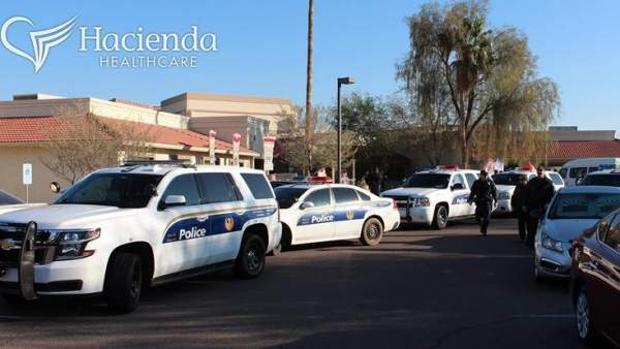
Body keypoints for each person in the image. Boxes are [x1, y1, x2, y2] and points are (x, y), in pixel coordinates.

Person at [524, 165, 555, 247]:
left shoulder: (548, 183)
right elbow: (526, 194)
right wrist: (525, 205)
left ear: (544, 171)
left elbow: (552, 195)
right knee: (531, 226)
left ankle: (543, 244)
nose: (539, 172)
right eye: (538, 170)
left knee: (543, 227)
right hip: (533, 207)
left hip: (543, 208)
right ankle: (530, 242)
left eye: (541, 170)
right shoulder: (532, 182)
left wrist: (548, 205)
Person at [468, 170, 497, 236]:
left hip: (487, 202)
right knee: (477, 218)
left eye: (486, 175)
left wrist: (496, 200)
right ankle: (482, 226)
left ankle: (484, 230)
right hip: (479, 202)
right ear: (481, 175)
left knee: (487, 218)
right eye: (484, 175)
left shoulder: (490, 182)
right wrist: (470, 199)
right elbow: (473, 192)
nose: (485, 177)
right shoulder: (476, 183)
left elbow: (494, 192)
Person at [511, 175, 528, 242]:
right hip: (520, 208)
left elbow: (532, 198)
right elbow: (514, 196)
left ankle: (529, 237)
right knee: (521, 223)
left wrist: (527, 206)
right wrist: (513, 205)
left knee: (529, 225)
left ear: (526, 180)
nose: (521, 181)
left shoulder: (529, 188)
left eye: (523, 180)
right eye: (520, 180)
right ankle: (522, 237)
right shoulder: (518, 187)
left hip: (527, 209)